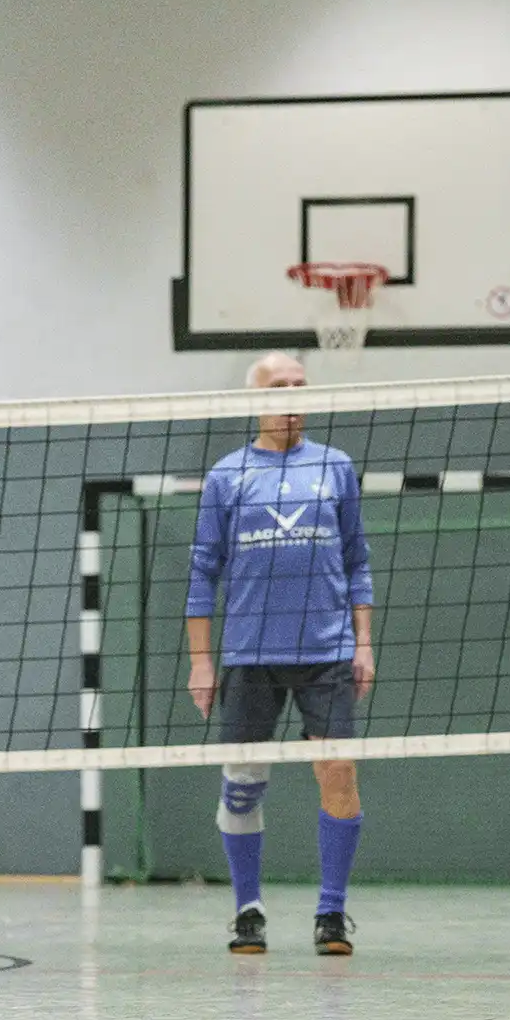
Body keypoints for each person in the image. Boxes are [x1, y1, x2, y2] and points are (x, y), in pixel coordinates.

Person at [186, 352, 376, 956]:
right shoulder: (227, 477)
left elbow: (357, 560)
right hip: (249, 653)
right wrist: (202, 660)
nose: (292, 395)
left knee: (339, 772)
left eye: (300, 385)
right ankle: (247, 909)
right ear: (256, 399)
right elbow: (201, 574)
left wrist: (364, 642)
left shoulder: (335, 467)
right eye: (279, 387)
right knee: (244, 784)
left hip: (327, 650)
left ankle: (331, 913)